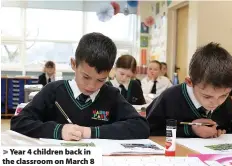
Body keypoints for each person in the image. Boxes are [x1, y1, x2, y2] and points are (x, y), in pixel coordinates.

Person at [11, 32, 150, 140]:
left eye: (101, 80)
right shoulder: (53, 91)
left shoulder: (111, 95)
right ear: (73, 64)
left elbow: (141, 126)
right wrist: (59, 130)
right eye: (86, 77)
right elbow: (19, 123)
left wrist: (90, 132)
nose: (91, 86)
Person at [146, 42, 232, 138]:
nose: (216, 103)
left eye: (224, 95)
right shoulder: (169, 98)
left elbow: (224, 126)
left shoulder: (226, 103)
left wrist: (220, 130)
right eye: (207, 96)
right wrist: (190, 130)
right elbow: (150, 130)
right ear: (189, 82)